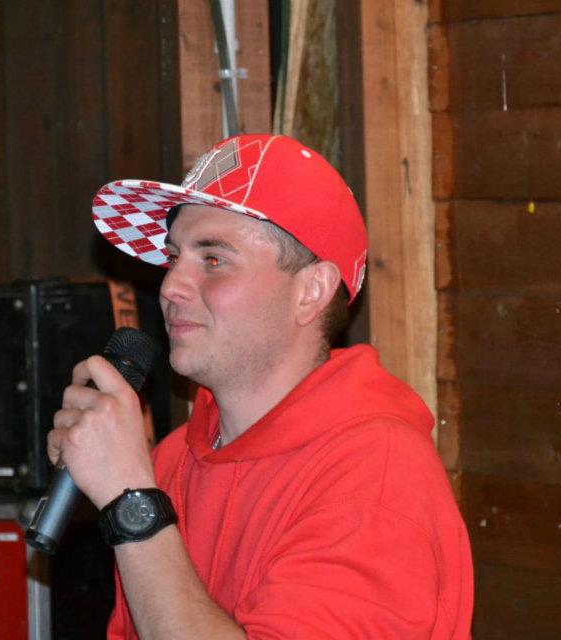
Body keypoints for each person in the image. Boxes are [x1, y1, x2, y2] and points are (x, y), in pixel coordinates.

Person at [48, 133, 474, 639]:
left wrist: (131, 505)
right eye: (173, 257)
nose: (170, 286)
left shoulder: (377, 477)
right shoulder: (172, 461)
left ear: (311, 291)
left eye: (213, 260)